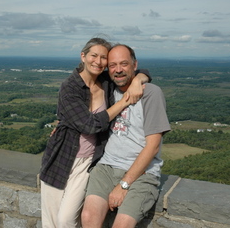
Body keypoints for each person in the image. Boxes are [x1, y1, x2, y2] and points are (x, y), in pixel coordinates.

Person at [39, 37, 151, 228]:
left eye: (103, 58)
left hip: (88, 161)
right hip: (61, 157)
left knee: (66, 220)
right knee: (51, 222)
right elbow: (90, 126)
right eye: (93, 56)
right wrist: (124, 101)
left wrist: (139, 79)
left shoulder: (106, 82)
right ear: (83, 56)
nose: (98, 62)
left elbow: (138, 71)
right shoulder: (70, 87)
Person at [81, 44, 171, 228]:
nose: (118, 70)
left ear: (134, 65)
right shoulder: (109, 90)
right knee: (89, 217)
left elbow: (153, 146)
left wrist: (124, 185)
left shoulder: (151, 94)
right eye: (113, 65)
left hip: (141, 174)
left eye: (124, 64)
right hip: (106, 167)